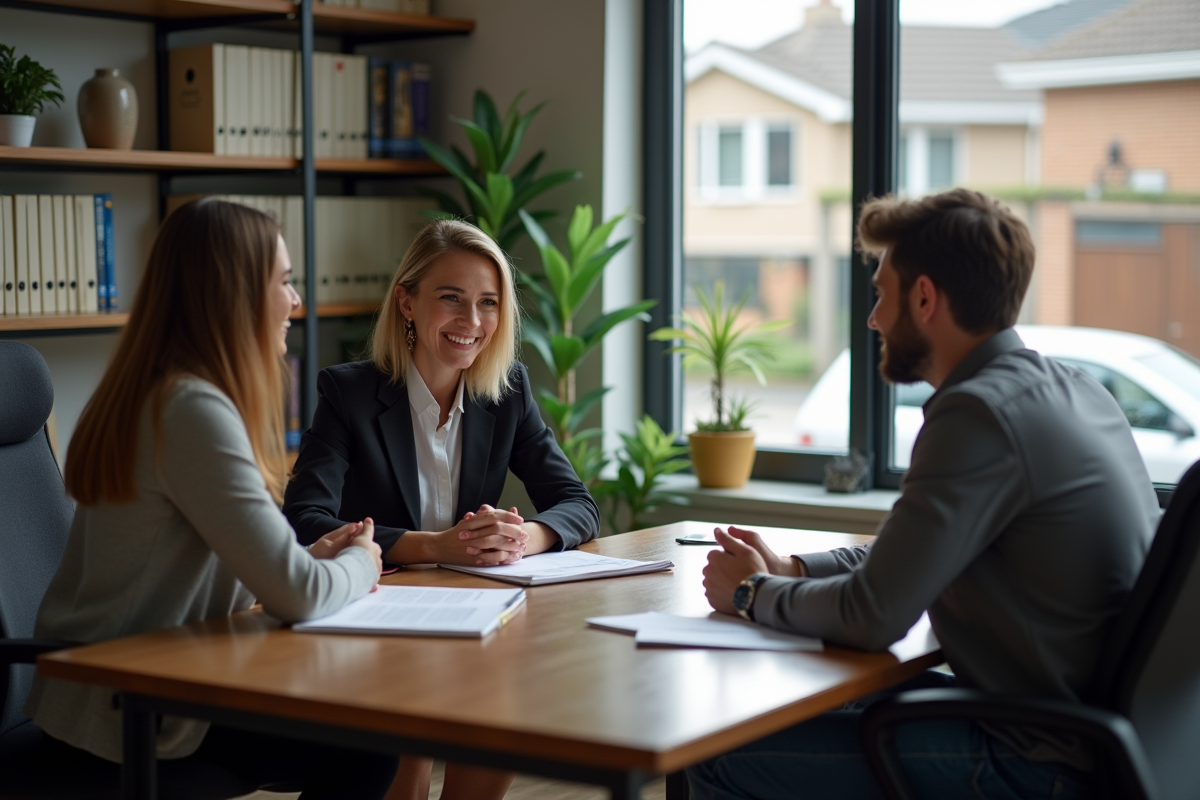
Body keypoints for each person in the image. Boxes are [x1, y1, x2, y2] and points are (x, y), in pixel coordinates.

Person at [693, 188, 1160, 800]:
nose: (873, 318)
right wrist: (794, 569)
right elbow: (903, 553)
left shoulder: (979, 414)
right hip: (1103, 742)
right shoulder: (1072, 390)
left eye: (881, 293)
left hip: (1035, 760)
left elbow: (874, 616)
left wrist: (752, 593)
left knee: (717, 754)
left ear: (924, 298)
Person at [25, 198, 397, 800]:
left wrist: (309, 560)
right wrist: (362, 563)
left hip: (125, 689)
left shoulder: (162, 393)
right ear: (235, 295)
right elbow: (297, 596)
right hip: (128, 714)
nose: (296, 301)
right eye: (284, 281)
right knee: (373, 737)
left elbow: (208, 569)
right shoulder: (192, 411)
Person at [283, 218, 601, 800]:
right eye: (451, 298)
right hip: (378, 623)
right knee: (407, 751)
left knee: (500, 712)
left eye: (488, 303)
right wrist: (434, 546)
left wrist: (520, 537)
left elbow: (577, 503)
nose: (471, 321)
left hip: (469, 616)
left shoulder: (507, 393)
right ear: (407, 302)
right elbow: (305, 520)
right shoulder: (348, 394)